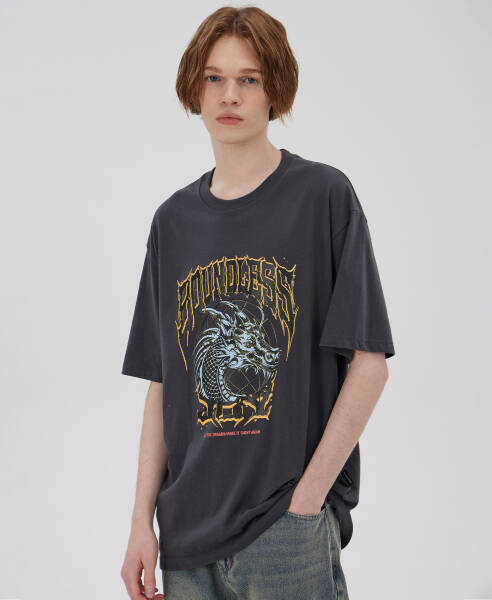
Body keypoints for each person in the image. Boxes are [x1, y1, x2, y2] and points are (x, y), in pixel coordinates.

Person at [120, 5, 395, 600]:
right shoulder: (173, 222)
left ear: (275, 90)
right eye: (214, 78)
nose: (230, 95)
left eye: (249, 78)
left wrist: (307, 502)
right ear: (195, 88)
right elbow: (164, 384)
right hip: (185, 537)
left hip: (284, 529)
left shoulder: (322, 196)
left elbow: (369, 363)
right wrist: (142, 522)